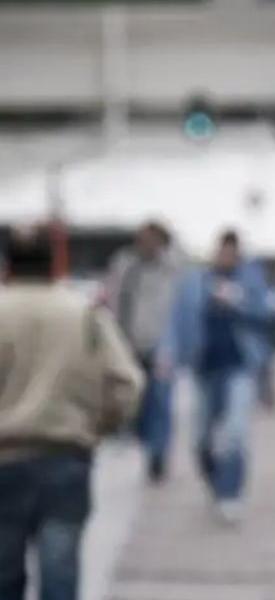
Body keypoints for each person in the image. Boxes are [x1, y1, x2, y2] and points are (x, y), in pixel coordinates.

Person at [0, 228, 144, 600]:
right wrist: (100, 426)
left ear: (8, 263)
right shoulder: (83, 314)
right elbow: (127, 383)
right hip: (65, 455)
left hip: (5, 459)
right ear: (54, 263)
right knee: (60, 569)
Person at [162, 230, 274, 526]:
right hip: (203, 367)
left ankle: (230, 493)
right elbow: (177, 319)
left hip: (239, 365)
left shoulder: (250, 280)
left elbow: (268, 314)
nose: (225, 257)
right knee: (201, 439)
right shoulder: (195, 280)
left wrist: (238, 301)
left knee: (235, 433)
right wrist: (169, 353)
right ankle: (215, 482)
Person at [105, 221, 183, 483]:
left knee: (160, 401)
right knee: (133, 399)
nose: (145, 245)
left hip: (161, 345)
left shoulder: (172, 268)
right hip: (128, 342)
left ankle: (158, 456)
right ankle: (136, 438)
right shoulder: (124, 263)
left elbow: (178, 307)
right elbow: (113, 298)